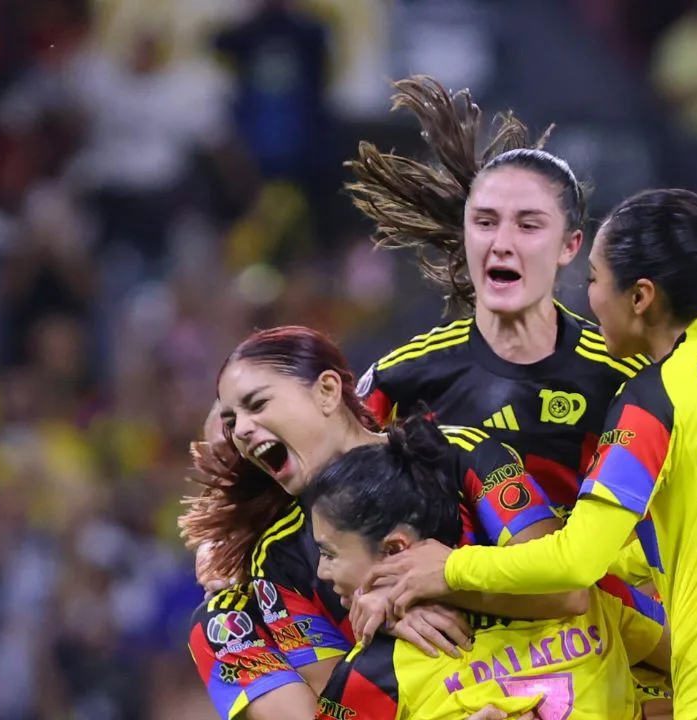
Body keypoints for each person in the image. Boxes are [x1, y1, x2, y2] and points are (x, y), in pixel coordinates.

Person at [359, 144, 697, 719]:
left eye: (597, 279)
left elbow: (577, 563)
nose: (591, 296)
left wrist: (444, 570)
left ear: (640, 296)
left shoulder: (650, 396)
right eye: (487, 221)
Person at [346, 75, 671, 711]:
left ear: (570, 247)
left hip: (608, 634)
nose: (502, 242)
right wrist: (374, 593)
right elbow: (331, 509)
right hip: (464, 650)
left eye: (529, 225)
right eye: (486, 222)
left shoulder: (624, 372)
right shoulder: (400, 379)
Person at [180, 325, 583, 720]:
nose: (243, 431)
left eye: (258, 404)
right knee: (215, 622)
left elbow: (568, 592)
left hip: (554, 677)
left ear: (327, 390)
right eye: (232, 422)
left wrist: (436, 582)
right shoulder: (278, 557)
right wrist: (380, 631)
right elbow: (337, 706)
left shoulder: (458, 452)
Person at [307, 413, 670, 719]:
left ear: (395, 549)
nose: (322, 572)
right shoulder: (597, 600)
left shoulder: (372, 673)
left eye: (330, 553)